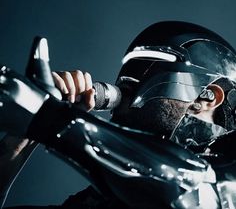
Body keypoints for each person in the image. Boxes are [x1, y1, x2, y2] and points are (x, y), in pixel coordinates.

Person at [1, 21, 236, 209]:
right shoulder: (99, 200)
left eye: (150, 69)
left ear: (207, 96)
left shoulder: (226, 182)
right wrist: (20, 138)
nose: (125, 87)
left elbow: (189, 187)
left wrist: (49, 117)